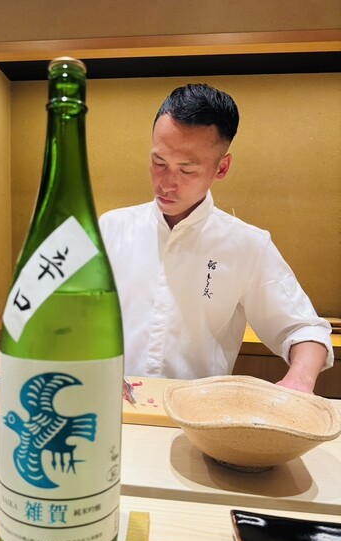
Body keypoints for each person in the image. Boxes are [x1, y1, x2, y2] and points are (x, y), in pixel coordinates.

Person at [99, 83, 333, 393]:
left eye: (186, 170)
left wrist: (299, 380)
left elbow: (305, 330)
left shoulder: (247, 245)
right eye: (159, 162)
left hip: (195, 413)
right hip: (110, 404)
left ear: (221, 168)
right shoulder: (110, 228)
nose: (166, 184)